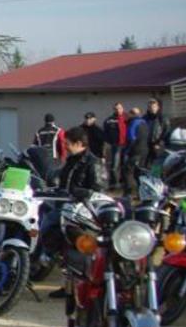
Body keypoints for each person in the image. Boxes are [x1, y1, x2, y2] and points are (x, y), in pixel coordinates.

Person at [45, 128, 107, 297]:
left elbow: (98, 190)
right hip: (67, 207)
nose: (65, 146)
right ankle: (67, 286)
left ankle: (75, 286)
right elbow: (64, 182)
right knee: (64, 246)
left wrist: (79, 193)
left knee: (75, 246)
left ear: (79, 143)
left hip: (82, 212)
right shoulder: (71, 161)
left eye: (67, 143)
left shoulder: (93, 163)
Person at [123, 106, 150, 196]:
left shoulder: (133, 123)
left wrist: (126, 151)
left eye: (130, 113)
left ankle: (128, 193)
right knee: (139, 172)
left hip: (135, 151)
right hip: (145, 150)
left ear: (132, 114)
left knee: (128, 171)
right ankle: (142, 193)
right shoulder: (144, 122)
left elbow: (131, 138)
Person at [102, 102, 127, 189]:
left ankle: (124, 183)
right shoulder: (109, 120)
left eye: (119, 108)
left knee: (125, 165)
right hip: (116, 145)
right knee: (114, 166)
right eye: (116, 109)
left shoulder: (127, 118)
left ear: (122, 108)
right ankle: (114, 184)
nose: (118, 110)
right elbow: (105, 134)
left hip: (127, 146)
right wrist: (109, 143)